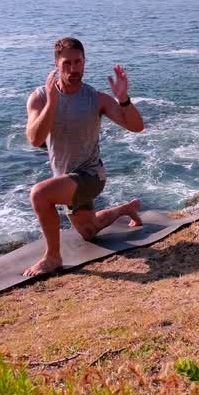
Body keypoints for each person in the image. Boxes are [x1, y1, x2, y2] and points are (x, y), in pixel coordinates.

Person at [22, 37, 145, 278]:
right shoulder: (40, 98)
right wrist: (52, 103)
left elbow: (137, 127)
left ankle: (53, 257)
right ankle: (126, 209)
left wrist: (123, 99)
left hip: (91, 176)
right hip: (65, 177)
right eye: (67, 63)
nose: (73, 69)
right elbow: (35, 139)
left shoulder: (96, 99)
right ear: (56, 64)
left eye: (78, 62)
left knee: (39, 194)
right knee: (89, 231)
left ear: (85, 62)